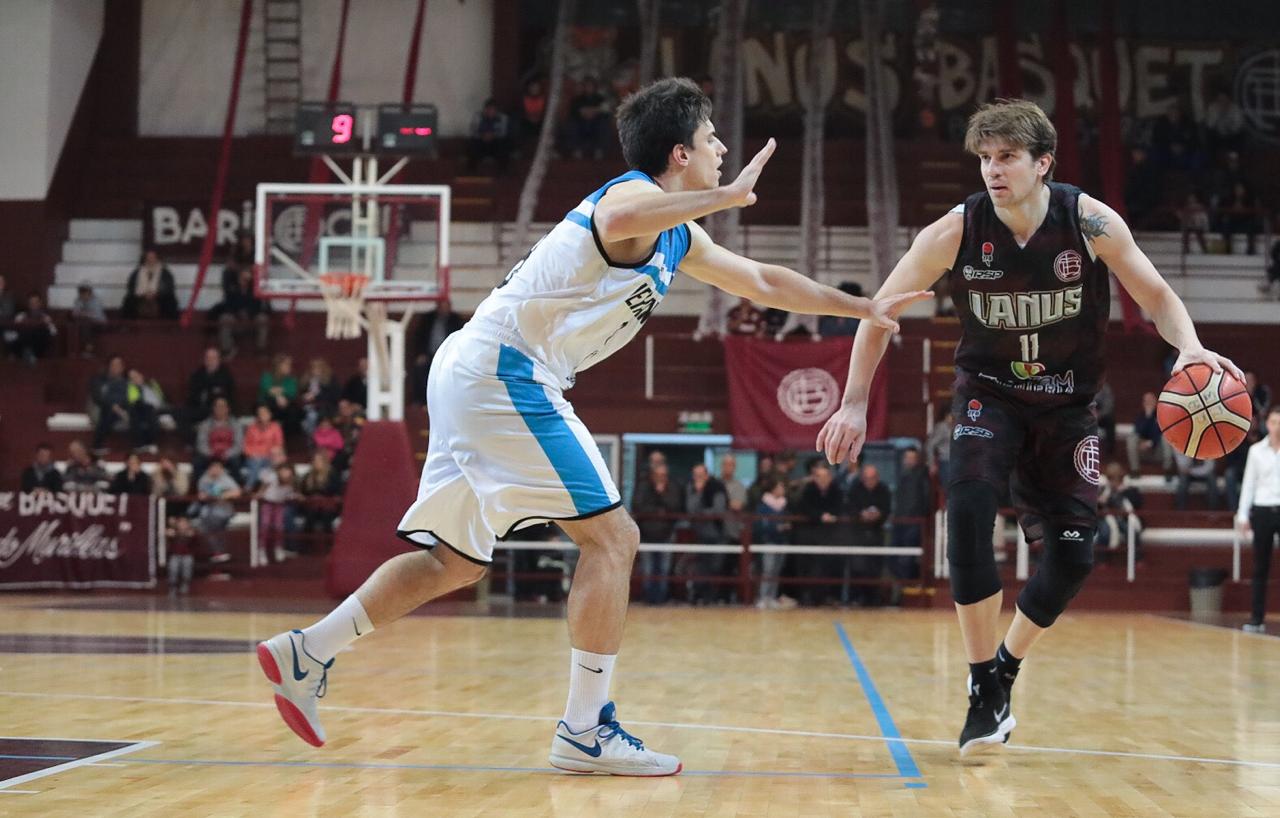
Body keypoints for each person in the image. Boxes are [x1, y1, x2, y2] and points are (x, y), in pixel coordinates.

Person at [255, 76, 926, 773]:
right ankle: (585, 731)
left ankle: (309, 651)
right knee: (614, 539)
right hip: (506, 374)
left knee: (452, 562)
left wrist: (865, 307)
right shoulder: (629, 196)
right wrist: (726, 199)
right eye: (710, 139)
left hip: (475, 371)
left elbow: (761, 281)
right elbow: (618, 223)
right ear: (678, 154)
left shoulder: (676, 232)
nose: (723, 148)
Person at [816, 98, 1241, 755]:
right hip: (989, 395)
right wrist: (851, 400)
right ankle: (982, 679)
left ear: (1043, 163)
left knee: (1073, 554)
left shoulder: (1090, 222)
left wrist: (1187, 347)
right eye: (985, 157)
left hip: (1070, 406)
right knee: (968, 512)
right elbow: (880, 311)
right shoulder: (954, 231)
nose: (993, 169)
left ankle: (1006, 667)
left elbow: (1153, 293)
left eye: (1008, 157)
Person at [1236, 406, 1280, 633]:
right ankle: (1256, 618)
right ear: (1267, 424)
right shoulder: (1256, 451)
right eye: (1274, 422)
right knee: (1260, 566)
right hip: (1262, 510)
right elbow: (1249, 484)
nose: (1277, 427)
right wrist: (1243, 514)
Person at [629, 459, 682, 605]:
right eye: (658, 475)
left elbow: (676, 507)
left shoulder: (672, 488)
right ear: (652, 475)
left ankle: (661, 597)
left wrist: (662, 496)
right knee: (647, 568)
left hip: (666, 533)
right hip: (647, 533)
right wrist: (657, 510)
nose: (661, 478)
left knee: (664, 568)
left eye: (663, 475)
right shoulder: (643, 488)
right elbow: (638, 506)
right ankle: (649, 597)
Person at [1126, 391, 1174, 476]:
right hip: (1143, 450)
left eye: (1151, 401)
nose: (1149, 404)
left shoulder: (1162, 416)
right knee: (1132, 438)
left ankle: (1168, 470)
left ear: (1156, 402)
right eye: (1146, 401)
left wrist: (1151, 443)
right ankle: (1135, 470)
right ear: (1143, 403)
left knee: (1165, 438)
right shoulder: (1140, 417)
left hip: (1158, 451)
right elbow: (1139, 432)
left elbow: (1159, 432)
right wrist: (1148, 416)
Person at [121, 250, 178, 319]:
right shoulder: (137, 272)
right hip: (141, 296)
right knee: (128, 301)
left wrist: (155, 294)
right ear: (144, 259)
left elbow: (169, 287)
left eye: (153, 257)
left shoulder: (165, 273)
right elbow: (131, 286)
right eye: (148, 257)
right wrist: (144, 294)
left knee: (171, 302)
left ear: (157, 258)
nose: (150, 260)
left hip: (159, 296)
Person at [187, 347, 236, 425]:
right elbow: (192, 395)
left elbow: (230, 396)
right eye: (208, 358)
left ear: (219, 360)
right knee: (182, 414)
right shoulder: (197, 374)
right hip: (198, 409)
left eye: (213, 358)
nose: (210, 360)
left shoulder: (226, 376)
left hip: (217, 411)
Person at [8, 292, 57, 364]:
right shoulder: (21, 316)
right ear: (28, 304)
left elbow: (54, 332)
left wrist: (47, 323)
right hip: (23, 345)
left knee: (41, 333)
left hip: (39, 344)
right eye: (31, 302)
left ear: (40, 303)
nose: (34, 305)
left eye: (36, 302)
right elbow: (13, 332)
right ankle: (28, 354)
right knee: (24, 334)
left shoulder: (46, 317)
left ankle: (31, 354)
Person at [465, 99, 512, 174]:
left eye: (493, 109)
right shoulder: (477, 116)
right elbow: (472, 131)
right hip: (481, 141)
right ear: (485, 109)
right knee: (472, 145)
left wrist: (492, 135)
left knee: (504, 145)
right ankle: (471, 172)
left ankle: (503, 172)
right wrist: (482, 135)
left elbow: (503, 132)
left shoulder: (503, 117)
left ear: (497, 110)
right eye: (488, 109)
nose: (491, 111)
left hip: (496, 142)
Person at [70, 284, 107, 355]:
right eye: (81, 293)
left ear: (89, 293)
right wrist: (82, 309)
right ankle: (76, 351)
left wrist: (84, 314)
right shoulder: (78, 300)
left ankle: (88, 350)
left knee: (87, 326)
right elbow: (74, 313)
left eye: (85, 293)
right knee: (82, 325)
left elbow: (97, 316)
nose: (83, 295)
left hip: (100, 323)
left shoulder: (96, 301)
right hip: (85, 323)